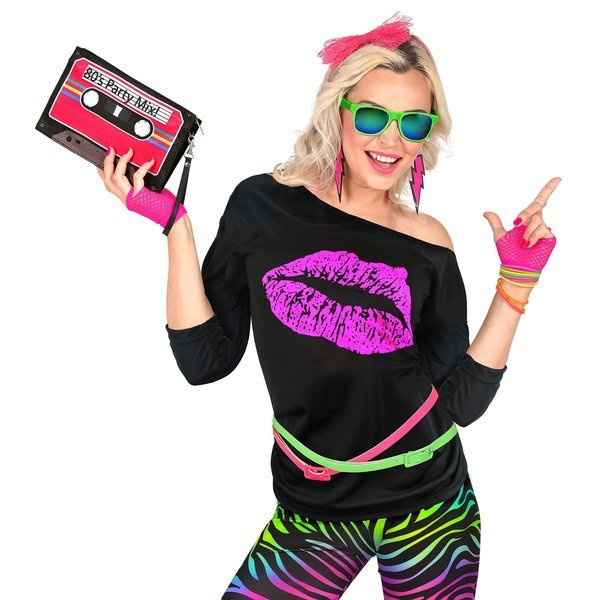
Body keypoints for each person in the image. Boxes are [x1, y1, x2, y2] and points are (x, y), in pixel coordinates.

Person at [97, 12, 558, 599]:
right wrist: (175, 226)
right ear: (337, 111)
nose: (391, 140)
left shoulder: (429, 242)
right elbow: (205, 361)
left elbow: (461, 402)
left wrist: (517, 281)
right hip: (310, 511)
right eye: (372, 116)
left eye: (413, 122)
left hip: (432, 509)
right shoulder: (261, 204)